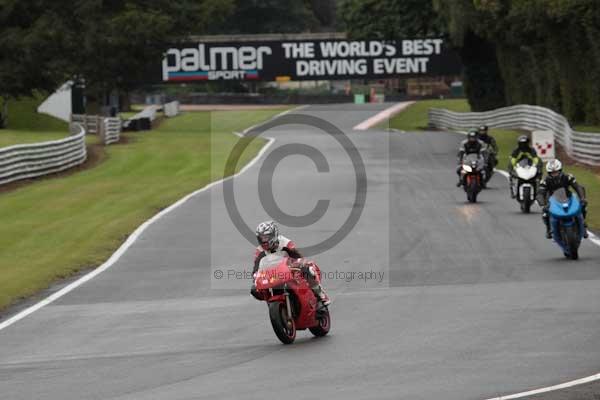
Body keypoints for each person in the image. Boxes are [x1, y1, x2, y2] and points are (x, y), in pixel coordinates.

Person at [250, 221, 330, 305]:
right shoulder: (259, 250)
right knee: (255, 289)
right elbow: (256, 266)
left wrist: (299, 262)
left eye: (266, 238)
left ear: (274, 235)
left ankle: (320, 294)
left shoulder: (285, 243)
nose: (264, 241)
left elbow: (297, 256)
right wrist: (255, 275)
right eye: (261, 238)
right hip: (272, 275)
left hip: (287, 269)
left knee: (307, 269)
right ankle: (271, 302)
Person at [537, 159, 588, 239]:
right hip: (553, 200)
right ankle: (549, 229)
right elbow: (540, 193)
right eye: (553, 173)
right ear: (549, 173)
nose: (555, 174)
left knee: (582, 205)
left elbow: (578, 187)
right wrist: (543, 204)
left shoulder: (568, 177)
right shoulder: (545, 181)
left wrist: (582, 198)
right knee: (545, 213)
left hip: (568, 198)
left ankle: (583, 225)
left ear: (560, 170)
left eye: (556, 172)